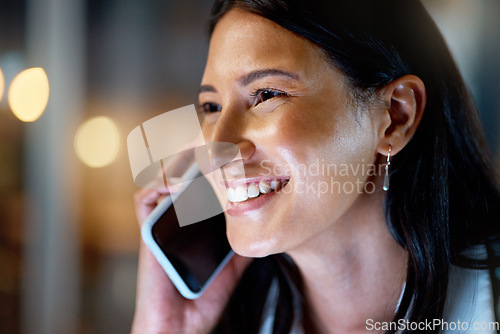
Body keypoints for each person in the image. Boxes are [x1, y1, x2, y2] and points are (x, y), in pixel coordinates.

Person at [131, 0, 500, 333]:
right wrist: (165, 328)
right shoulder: (224, 320)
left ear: (395, 116)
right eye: (211, 108)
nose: (215, 149)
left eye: (266, 95)